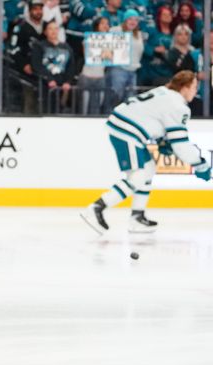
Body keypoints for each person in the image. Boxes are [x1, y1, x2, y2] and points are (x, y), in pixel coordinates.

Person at [80, 70, 211, 235]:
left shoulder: (164, 92)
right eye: (194, 87)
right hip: (128, 132)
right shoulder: (178, 105)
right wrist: (201, 165)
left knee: (148, 170)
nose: (195, 91)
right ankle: (96, 208)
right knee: (139, 175)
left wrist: (162, 140)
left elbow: (151, 117)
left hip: (124, 127)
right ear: (184, 87)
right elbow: (181, 146)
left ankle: (137, 217)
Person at [105, 9, 145, 107]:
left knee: (130, 101)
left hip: (133, 71)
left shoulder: (138, 34)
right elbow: (105, 46)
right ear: (125, 20)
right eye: (130, 19)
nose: (133, 22)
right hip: (118, 69)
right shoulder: (115, 30)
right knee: (115, 98)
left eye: (136, 20)